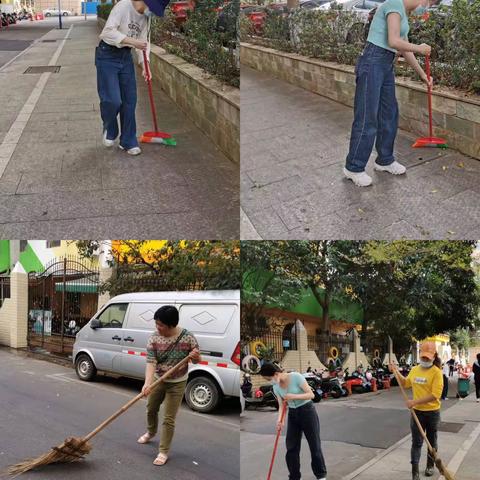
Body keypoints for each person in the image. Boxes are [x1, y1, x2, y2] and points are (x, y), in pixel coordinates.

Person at [343, 0, 437, 187]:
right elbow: (393, 41)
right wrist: (420, 48)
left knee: (389, 114)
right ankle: (353, 167)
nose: (427, 6)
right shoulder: (394, 3)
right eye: (429, 2)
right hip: (372, 62)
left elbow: (403, 47)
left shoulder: (403, 12)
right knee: (367, 116)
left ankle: (384, 160)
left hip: (386, 64)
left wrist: (423, 75)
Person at [96, 0, 169, 155]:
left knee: (130, 100)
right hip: (107, 54)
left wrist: (145, 66)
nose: (152, 12)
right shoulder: (123, 6)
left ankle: (128, 140)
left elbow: (144, 43)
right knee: (112, 100)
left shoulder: (145, 18)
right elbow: (107, 32)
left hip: (125, 57)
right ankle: (110, 127)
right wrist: (133, 42)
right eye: (154, 8)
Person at [137, 305, 200, 465]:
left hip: (177, 383)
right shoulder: (154, 338)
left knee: (169, 418)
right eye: (156, 324)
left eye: (161, 325)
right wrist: (147, 384)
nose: (157, 327)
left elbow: (197, 360)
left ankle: (163, 451)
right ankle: (151, 432)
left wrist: (196, 356)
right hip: (159, 379)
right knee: (151, 408)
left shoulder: (188, 337)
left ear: (171, 325)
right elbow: (151, 362)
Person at [259, 362, 327, 480]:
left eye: (269, 378)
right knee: (291, 448)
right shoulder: (276, 387)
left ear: (276, 374)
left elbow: (311, 395)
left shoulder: (296, 377)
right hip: (293, 415)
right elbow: (281, 405)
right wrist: (280, 420)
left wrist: (294, 396)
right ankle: (294, 477)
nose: (270, 381)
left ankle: (321, 476)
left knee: (314, 445)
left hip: (307, 412)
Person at [389, 341, 443, 480]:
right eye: (423, 357)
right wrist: (396, 372)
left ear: (434, 356)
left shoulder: (437, 372)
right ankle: (415, 472)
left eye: (427, 357)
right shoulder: (415, 369)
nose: (425, 360)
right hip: (417, 413)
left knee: (431, 441)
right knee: (416, 442)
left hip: (432, 413)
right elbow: (406, 383)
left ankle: (430, 466)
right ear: (419, 355)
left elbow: (435, 395)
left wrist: (414, 401)